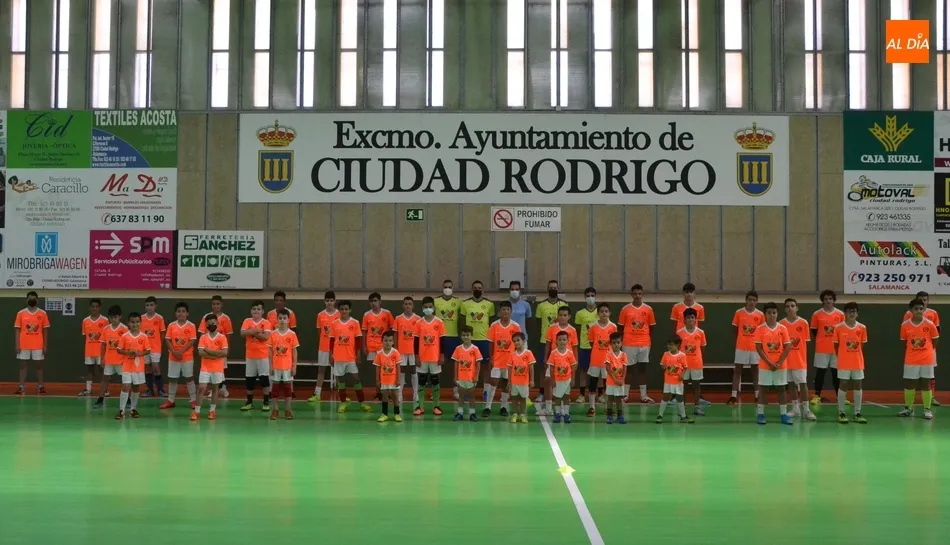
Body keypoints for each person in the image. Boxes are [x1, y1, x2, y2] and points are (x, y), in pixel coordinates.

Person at [898, 298, 940, 420]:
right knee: (910, 383)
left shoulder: (930, 324)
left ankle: (927, 409)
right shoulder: (905, 325)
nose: (919, 311)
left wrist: (927, 351)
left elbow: (935, 340)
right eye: (916, 309)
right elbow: (904, 342)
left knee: (926, 383)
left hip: (927, 359)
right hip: (911, 358)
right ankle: (908, 408)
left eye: (921, 309)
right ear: (911, 310)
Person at [753, 302, 793, 426]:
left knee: (781, 389)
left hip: (780, 366)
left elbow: (787, 347)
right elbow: (759, 348)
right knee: (763, 389)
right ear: (765, 314)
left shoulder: (783, 328)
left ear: (777, 314)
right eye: (769, 313)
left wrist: (779, 362)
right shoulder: (760, 329)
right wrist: (769, 363)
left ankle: (783, 414)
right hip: (765, 365)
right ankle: (760, 414)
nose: (772, 315)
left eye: (774, 313)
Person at [330, 300, 372, 413]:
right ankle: (343, 403)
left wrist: (358, 355)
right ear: (339, 310)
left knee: (356, 378)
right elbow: (332, 341)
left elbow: (358, 340)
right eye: (342, 309)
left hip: (350, 357)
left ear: (350, 310)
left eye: (346, 309)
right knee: (341, 380)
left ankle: (362, 402)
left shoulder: (355, 323)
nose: (344, 311)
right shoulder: (334, 323)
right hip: (338, 357)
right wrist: (331, 355)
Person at [617, 284, 656, 403]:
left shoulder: (648, 309)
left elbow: (652, 327)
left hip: (644, 343)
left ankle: (643, 396)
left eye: (639, 293)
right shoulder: (625, 309)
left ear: (642, 294)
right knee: (628, 369)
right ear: (631, 294)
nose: (637, 296)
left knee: (642, 369)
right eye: (635, 294)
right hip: (628, 343)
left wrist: (644, 338)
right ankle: (625, 395)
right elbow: (620, 327)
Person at [780, 298, 816, 421]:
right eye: (787, 306)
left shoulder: (803, 323)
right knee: (791, 385)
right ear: (785, 309)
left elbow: (805, 342)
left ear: (797, 308)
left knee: (802, 384)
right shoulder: (781, 324)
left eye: (792, 306)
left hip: (800, 360)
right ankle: (795, 409)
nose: (790, 308)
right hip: (786, 361)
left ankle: (806, 409)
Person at [833, 302, 867, 424]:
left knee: (858, 384)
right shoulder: (838, 328)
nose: (852, 313)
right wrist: (843, 356)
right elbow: (836, 346)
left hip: (857, 362)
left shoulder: (862, 328)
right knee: (843, 384)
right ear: (845, 313)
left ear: (857, 313)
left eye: (854, 311)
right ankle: (841, 412)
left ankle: (857, 413)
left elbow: (861, 345)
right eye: (849, 311)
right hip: (843, 362)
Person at [484, 301, 520, 417]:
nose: (505, 311)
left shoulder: (516, 326)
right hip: (497, 360)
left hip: (510, 361)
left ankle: (503, 406)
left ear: (511, 311)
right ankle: (487, 407)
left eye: (508, 309)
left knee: (506, 383)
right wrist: (491, 358)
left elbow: (518, 344)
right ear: (499, 311)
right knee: (493, 382)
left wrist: (516, 359)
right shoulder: (494, 325)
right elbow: (491, 343)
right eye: (503, 309)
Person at [810, 290, 845, 406]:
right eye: (825, 299)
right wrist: (823, 339)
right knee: (820, 373)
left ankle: (839, 397)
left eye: (830, 299)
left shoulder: (840, 314)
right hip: (821, 349)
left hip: (836, 349)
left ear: (834, 300)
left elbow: (843, 330)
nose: (828, 301)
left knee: (836, 374)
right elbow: (814, 330)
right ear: (822, 301)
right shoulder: (816, 314)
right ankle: (817, 396)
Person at [459, 280, 494, 398]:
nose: (477, 290)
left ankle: (485, 391)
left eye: (479, 288)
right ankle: (468, 390)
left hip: (484, 340)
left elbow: (492, 323)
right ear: (471, 289)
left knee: (486, 367)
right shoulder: (465, 304)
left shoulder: (489, 304)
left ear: (483, 290)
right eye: (475, 288)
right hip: (470, 341)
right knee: (469, 366)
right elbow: (462, 323)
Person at [160, 302, 198, 410]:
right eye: (178, 311)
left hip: (187, 357)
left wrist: (181, 351)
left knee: (189, 378)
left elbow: (192, 341)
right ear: (175, 313)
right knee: (172, 378)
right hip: (173, 357)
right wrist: (174, 352)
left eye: (183, 311)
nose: (181, 313)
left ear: (187, 313)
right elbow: (167, 340)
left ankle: (193, 400)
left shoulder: (191, 325)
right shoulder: (171, 325)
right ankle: (170, 400)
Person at [729, 290, 764, 406]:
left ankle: (757, 396)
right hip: (741, 347)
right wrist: (741, 340)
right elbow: (735, 329)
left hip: (755, 348)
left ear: (757, 301)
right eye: (750, 300)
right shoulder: (739, 313)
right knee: (737, 371)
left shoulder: (760, 315)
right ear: (746, 300)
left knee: (755, 372)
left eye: (754, 300)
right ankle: (733, 396)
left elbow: (762, 332)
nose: (752, 302)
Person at [192, 314, 229, 421]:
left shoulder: (222, 337)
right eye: (209, 324)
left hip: (217, 368)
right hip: (205, 367)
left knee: (215, 389)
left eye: (213, 323)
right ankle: (196, 411)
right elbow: (201, 353)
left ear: (217, 323)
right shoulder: (203, 337)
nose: (211, 326)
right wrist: (216, 354)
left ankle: (212, 411)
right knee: (201, 388)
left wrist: (208, 350)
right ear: (206, 325)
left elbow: (224, 353)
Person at [535, 280, 567, 402]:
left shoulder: (564, 304)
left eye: (555, 288)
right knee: (543, 368)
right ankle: (542, 392)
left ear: (558, 289)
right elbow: (538, 323)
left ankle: (558, 392)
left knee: (560, 368)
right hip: (545, 341)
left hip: (560, 344)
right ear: (547, 289)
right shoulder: (541, 305)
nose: (553, 289)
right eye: (551, 288)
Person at [543, 306, 578, 416]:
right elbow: (548, 344)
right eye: (560, 315)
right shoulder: (552, 328)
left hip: (567, 361)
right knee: (549, 381)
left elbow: (575, 346)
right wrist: (545, 358)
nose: (562, 317)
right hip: (554, 360)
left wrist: (576, 361)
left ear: (569, 316)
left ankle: (563, 409)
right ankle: (548, 407)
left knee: (565, 384)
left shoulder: (572, 330)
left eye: (565, 315)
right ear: (557, 316)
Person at [414, 296, 446, 416]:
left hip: (435, 357)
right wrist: (416, 356)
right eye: (426, 307)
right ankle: (420, 406)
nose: (428, 309)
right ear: (422, 308)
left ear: (433, 307)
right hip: (422, 357)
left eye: (430, 307)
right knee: (421, 380)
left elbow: (442, 341)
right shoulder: (419, 323)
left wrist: (441, 355)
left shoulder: (439, 322)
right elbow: (416, 341)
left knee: (435, 380)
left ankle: (436, 406)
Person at [14, 291, 50, 395]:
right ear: (26, 300)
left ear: (37, 300)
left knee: (39, 366)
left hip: (38, 345)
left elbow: (45, 330)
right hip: (23, 344)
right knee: (22, 366)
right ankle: (21, 387)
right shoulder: (20, 313)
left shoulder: (43, 313)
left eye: (34, 299)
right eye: (30, 299)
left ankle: (40, 387)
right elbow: (17, 330)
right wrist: (17, 345)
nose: (32, 300)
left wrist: (45, 345)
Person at [116, 312, 150, 420]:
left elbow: (148, 350)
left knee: (136, 387)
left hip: (138, 367)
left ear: (140, 322)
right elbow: (119, 350)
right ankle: (121, 410)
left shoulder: (144, 336)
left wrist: (139, 354)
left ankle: (133, 409)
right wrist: (128, 353)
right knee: (126, 386)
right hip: (127, 366)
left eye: (137, 322)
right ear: (128, 323)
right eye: (132, 322)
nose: (135, 324)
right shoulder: (124, 336)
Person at [198, 295, 233, 398]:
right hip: (208, 349)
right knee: (209, 370)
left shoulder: (226, 318)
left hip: (220, 349)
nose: (215, 306)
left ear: (222, 304)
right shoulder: (206, 317)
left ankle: (222, 388)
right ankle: (215, 389)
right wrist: (204, 347)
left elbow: (229, 335)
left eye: (218, 304)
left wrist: (226, 349)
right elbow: (201, 333)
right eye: (213, 304)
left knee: (221, 369)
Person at [240, 301, 273, 412]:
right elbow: (242, 333)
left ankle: (266, 402)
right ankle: (249, 402)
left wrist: (251, 331)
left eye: (258, 309)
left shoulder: (266, 322)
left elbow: (265, 337)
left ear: (262, 311)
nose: (256, 311)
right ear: (251, 311)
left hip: (263, 356)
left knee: (264, 379)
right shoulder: (247, 321)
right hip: (250, 356)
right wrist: (256, 330)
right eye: (254, 309)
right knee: (250, 379)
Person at [585, 303, 616, 416]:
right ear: (598, 313)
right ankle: (592, 407)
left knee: (608, 384)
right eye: (602, 311)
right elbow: (591, 342)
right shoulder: (593, 327)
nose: (604, 313)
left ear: (609, 313)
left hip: (608, 361)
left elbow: (614, 344)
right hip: (595, 360)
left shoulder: (613, 326)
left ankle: (608, 408)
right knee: (593, 383)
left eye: (606, 311)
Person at [94, 305, 128, 409]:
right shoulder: (106, 329)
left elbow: (127, 345)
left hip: (121, 360)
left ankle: (128, 400)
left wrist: (126, 359)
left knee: (125, 381)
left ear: (120, 316)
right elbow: (103, 345)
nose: (113, 319)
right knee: (105, 379)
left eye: (115, 317)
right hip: (109, 360)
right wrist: (102, 358)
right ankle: (100, 399)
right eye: (111, 317)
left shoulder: (125, 329)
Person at [362, 292, 395, 401]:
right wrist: (364, 346)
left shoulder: (387, 313)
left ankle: (388, 393)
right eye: (371, 301)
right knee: (377, 372)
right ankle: (378, 393)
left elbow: (392, 329)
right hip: (372, 347)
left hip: (384, 347)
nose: (373, 303)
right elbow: (364, 332)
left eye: (375, 301)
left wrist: (391, 344)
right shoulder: (366, 314)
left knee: (386, 371)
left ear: (380, 301)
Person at [268, 309, 299, 420]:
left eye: (284, 318)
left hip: (287, 366)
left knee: (287, 389)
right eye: (280, 318)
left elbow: (294, 351)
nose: (282, 320)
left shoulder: (292, 334)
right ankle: (275, 410)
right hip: (276, 366)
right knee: (275, 389)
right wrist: (270, 365)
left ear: (288, 320)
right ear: (277, 320)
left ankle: (288, 410)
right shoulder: (273, 334)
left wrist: (294, 366)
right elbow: (270, 351)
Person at [309, 291, 339, 402]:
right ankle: (317, 394)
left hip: (337, 348)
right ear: (324, 301)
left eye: (331, 300)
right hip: (323, 348)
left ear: (334, 301)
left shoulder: (339, 314)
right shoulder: (320, 315)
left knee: (339, 372)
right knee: (321, 370)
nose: (329, 303)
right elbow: (319, 332)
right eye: (327, 301)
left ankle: (342, 394)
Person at [655, 336, 693, 424]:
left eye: (671, 344)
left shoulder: (682, 355)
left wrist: (682, 375)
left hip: (678, 382)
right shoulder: (666, 354)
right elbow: (662, 365)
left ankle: (683, 416)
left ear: (677, 345)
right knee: (665, 397)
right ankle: (660, 415)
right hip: (668, 381)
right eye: (668, 344)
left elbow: (685, 367)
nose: (669, 346)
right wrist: (663, 367)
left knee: (679, 398)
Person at [677, 308, 707, 416]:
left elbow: (702, 347)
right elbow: (677, 349)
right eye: (688, 318)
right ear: (684, 320)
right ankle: (683, 408)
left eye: (692, 317)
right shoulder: (679, 333)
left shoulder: (701, 332)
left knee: (696, 385)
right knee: (683, 386)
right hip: (683, 365)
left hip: (696, 364)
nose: (690, 320)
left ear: (695, 319)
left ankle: (696, 407)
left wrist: (697, 358)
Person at [434, 280, 461, 398]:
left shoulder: (458, 302)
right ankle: (436, 390)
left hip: (454, 337)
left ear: (453, 288)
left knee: (454, 365)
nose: (447, 289)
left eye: (449, 287)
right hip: (439, 337)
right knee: (438, 365)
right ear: (442, 288)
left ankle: (455, 389)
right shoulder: (435, 301)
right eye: (445, 287)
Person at [573, 287, 599, 403]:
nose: (590, 298)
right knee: (583, 371)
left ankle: (600, 394)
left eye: (592, 295)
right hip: (584, 346)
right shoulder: (580, 313)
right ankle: (582, 395)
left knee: (598, 372)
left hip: (598, 347)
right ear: (584, 297)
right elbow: (578, 329)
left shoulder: (600, 312)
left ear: (595, 296)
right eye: (588, 296)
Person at [452, 326, 483, 422]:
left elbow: (478, 363)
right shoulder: (458, 349)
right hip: (461, 378)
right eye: (463, 335)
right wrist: (456, 376)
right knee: (461, 396)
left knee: (472, 396)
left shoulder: (475, 349)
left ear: (471, 336)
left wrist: (476, 376)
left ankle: (472, 414)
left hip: (471, 378)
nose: (466, 337)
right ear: (461, 336)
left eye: (468, 335)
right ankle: (460, 413)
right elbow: (456, 363)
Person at [394, 296, 420, 405]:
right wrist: (395, 349)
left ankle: (416, 394)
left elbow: (420, 336)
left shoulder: (418, 318)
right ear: (403, 305)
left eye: (409, 304)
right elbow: (395, 334)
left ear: (413, 305)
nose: (407, 306)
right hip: (401, 349)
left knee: (414, 371)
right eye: (405, 304)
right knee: (402, 371)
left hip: (413, 350)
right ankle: (400, 393)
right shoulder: (398, 318)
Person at [548, 330, 578, 424]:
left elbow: (573, 367)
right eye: (560, 339)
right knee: (557, 398)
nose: (562, 341)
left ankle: (566, 414)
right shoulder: (553, 353)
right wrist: (552, 380)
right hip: (557, 380)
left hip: (567, 380)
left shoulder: (570, 353)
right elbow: (551, 368)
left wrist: (573, 379)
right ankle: (557, 414)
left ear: (568, 341)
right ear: (556, 341)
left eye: (564, 339)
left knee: (566, 397)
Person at [79, 299, 108, 397]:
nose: (94, 308)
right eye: (92, 306)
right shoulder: (85, 321)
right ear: (89, 307)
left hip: (101, 351)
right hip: (89, 351)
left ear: (99, 308)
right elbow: (85, 337)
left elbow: (107, 337)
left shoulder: (105, 320)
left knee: (102, 370)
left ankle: (105, 390)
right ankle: (88, 389)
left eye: (96, 306)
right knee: (89, 370)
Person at [374, 331, 403, 422]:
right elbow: (377, 367)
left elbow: (398, 367)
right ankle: (384, 414)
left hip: (393, 380)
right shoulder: (379, 353)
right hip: (384, 380)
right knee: (385, 396)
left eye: (390, 341)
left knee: (395, 395)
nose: (388, 343)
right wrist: (377, 380)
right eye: (386, 340)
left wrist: (398, 379)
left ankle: (397, 414)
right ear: (382, 341)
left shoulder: (396, 352)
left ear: (393, 342)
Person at [140, 296, 166, 398]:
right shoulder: (141, 318)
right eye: (147, 305)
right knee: (148, 369)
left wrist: (160, 344)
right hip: (145, 348)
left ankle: (160, 389)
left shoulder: (159, 318)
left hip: (155, 348)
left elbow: (162, 332)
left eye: (151, 305)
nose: (149, 307)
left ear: (155, 306)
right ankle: (150, 390)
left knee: (156, 367)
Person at [508, 332, 535, 423]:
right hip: (514, 381)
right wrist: (509, 381)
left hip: (524, 382)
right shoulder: (512, 354)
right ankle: (515, 414)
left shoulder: (528, 353)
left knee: (523, 398)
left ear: (523, 341)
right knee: (514, 398)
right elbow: (510, 369)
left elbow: (531, 368)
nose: (516, 342)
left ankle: (523, 414)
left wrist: (532, 380)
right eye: (514, 341)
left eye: (518, 340)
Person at [604, 332, 628, 424]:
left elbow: (625, 368)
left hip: (620, 382)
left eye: (618, 342)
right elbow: (608, 368)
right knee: (610, 399)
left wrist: (622, 380)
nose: (616, 345)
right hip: (611, 382)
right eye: (614, 343)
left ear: (621, 343)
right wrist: (614, 379)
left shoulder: (624, 355)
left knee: (619, 399)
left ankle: (620, 416)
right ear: (610, 344)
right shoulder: (608, 354)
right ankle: (609, 416)